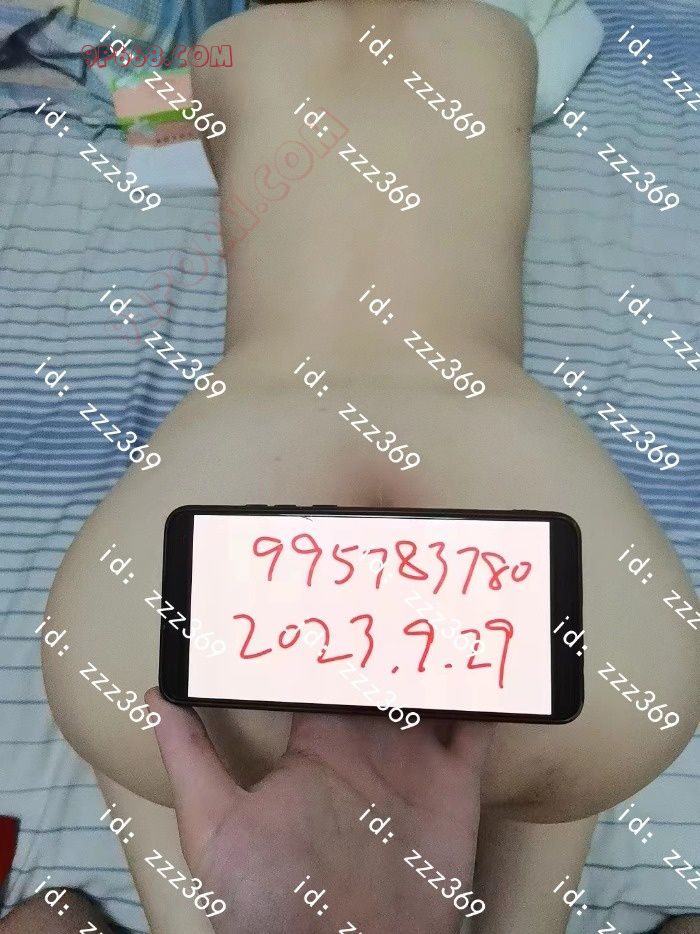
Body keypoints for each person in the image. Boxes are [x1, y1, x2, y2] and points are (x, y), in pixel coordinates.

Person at [41, 0, 699, 931]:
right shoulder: (508, 35)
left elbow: (151, 134)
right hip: (507, 460)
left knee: (143, 727)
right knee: (556, 751)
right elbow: (579, 40)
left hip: (248, 445)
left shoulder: (224, 47)